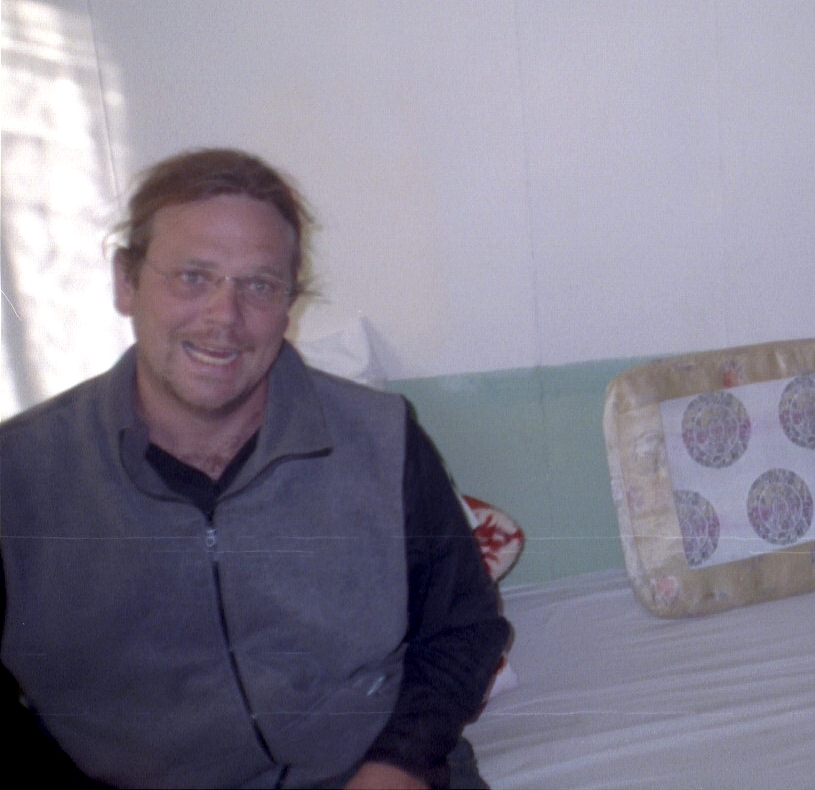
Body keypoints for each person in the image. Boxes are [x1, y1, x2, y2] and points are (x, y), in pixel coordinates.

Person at [1, 149, 510, 789]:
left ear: (289, 302)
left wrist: (397, 766)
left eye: (260, 285)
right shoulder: (19, 476)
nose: (224, 317)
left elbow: (463, 629)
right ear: (125, 283)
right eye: (193, 277)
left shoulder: (381, 439)